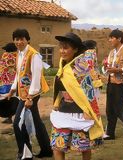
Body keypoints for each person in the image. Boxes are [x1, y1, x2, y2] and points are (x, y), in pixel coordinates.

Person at [50, 32, 104, 160]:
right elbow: (60, 87)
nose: (62, 51)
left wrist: (87, 110)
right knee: (57, 146)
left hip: (79, 112)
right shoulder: (62, 65)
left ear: (75, 49)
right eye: (61, 47)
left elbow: (88, 91)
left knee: (83, 147)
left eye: (66, 48)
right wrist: (56, 104)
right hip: (63, 111)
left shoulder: (80, 67)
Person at [6, 28, 52, 160]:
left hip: (31, 94)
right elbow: (19, 74)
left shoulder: (34, 55)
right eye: (16, 39)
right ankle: (46, 150)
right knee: (36, 122)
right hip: (23, 93)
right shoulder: (19, 53)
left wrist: (30, 97)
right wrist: (12, 89)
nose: (19, 42)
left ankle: (25, 153)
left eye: (22, 39)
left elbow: (36, 77)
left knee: (18, 124)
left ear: (28, 40)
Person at [102, 29, 123, 140]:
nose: (110, 40)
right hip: (110, 84)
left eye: (112, 38)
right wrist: (105, 67)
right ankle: (110, 133)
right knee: (109, 109)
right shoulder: (112, 52)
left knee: (119, 109)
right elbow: (107, 70)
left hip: (120, 85)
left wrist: (118, 70)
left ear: (119, 39)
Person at [0, 43, 18, 124]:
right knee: (16, 100)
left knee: (5, 100)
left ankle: (9, 117)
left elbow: (1, 70)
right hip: (16, 83)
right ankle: (16, 118)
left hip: (5, 84)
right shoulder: (18, 56)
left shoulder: (5, 57)